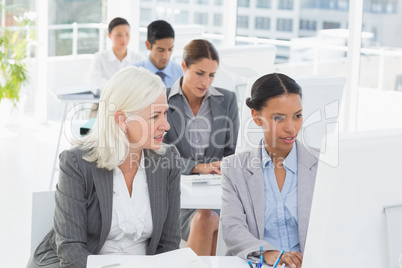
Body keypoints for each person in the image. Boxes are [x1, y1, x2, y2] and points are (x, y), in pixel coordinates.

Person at [28, 67, 181, 268]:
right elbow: (71, 250)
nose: (166, 125)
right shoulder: (76, 163)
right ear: (122, 120)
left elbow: (168, 244)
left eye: (165, 114)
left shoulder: (168, 160)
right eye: (155, 116)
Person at [220, 73, 319, 268]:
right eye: (279, 118)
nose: (291, 128)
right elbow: (232, 228)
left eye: (297, 116)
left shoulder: (321, 163)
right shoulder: (234, 168)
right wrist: (268, 253)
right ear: (257, 117)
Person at [163, 39, 240, 256]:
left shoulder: (227, 100)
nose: (206, 81)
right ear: (184, 66)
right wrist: (197, 167)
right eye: (200, 73)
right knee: (206, 220)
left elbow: (231, 151)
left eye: (212, 75)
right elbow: (157, 154)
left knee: (208, 217)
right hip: (177, 193)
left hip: (215, 191)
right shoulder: (163, 99)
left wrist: (224, 165)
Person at [89, 17, 143, 92]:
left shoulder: (138, 59)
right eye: (119, 35)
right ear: (109, 35)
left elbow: (141, 83)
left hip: (130, 101)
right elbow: (95, 82)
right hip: (104, 100)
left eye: (127, 34)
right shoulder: (99, 58)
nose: (124, 39)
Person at [134, 20, 183, 88]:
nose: (166, 56)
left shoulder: (181, 74)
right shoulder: (134, 74)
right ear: (148, 45)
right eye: (160, 50)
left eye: (170, 49)